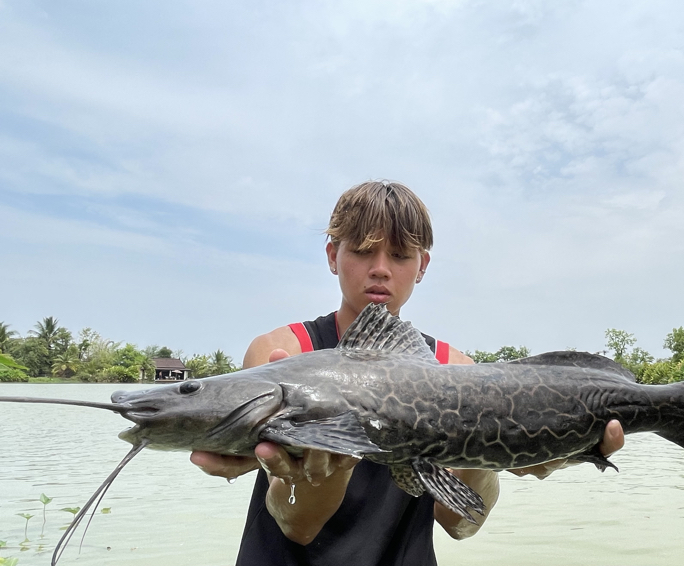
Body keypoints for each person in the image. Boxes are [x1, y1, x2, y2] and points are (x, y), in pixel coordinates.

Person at [190, 180, 625, 565]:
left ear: (422, 267)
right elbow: (295, 525)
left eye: (400, 255)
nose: (380, 268)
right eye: (362, 250)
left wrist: (499, 452)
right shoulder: (282, 355)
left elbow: (460, 524)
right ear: (332, 255)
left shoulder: (456, 369)